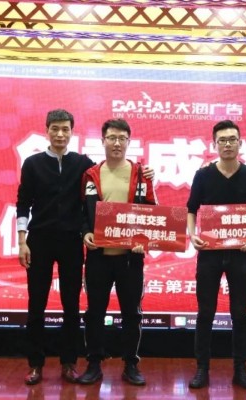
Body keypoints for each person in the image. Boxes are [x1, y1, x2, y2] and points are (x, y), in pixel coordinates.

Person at [16, 109, 94, 385]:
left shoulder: (83, 163)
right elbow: (23, 202)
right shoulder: (33, 163)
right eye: (55, 129)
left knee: (71, 304)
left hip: (71, 241)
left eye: (65, 129)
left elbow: (98, 192)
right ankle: (35, 364)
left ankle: (69, 362)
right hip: (39, 240)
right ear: (46, 130)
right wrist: (22, 241)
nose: (60, 134)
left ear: (72, 132)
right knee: (36, 303)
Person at [186, 120, 246, 390]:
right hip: (209, 253)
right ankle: (202, 369)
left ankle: (240, 369)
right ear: (214, 144)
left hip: (239, 255)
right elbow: (191, 209)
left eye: (232, 139)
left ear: (240, 143)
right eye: (222, 140)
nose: (228, 144)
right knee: (205, 312)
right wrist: (192, 235)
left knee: (240, 313)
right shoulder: (203, 175)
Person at [77, 118, 157, 387]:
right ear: (103, 141)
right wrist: (85, 233)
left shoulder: (141, 174)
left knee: (132, 313)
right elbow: (82, 212)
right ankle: (93, 363)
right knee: (94, 312)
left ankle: (131, 364)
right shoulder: (90, 175)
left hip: (130, 259)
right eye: (112, 138)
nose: (117, 143)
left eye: (122, 138)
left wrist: (143, 239)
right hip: (98, 257)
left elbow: (152, 213)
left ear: (129, 142)